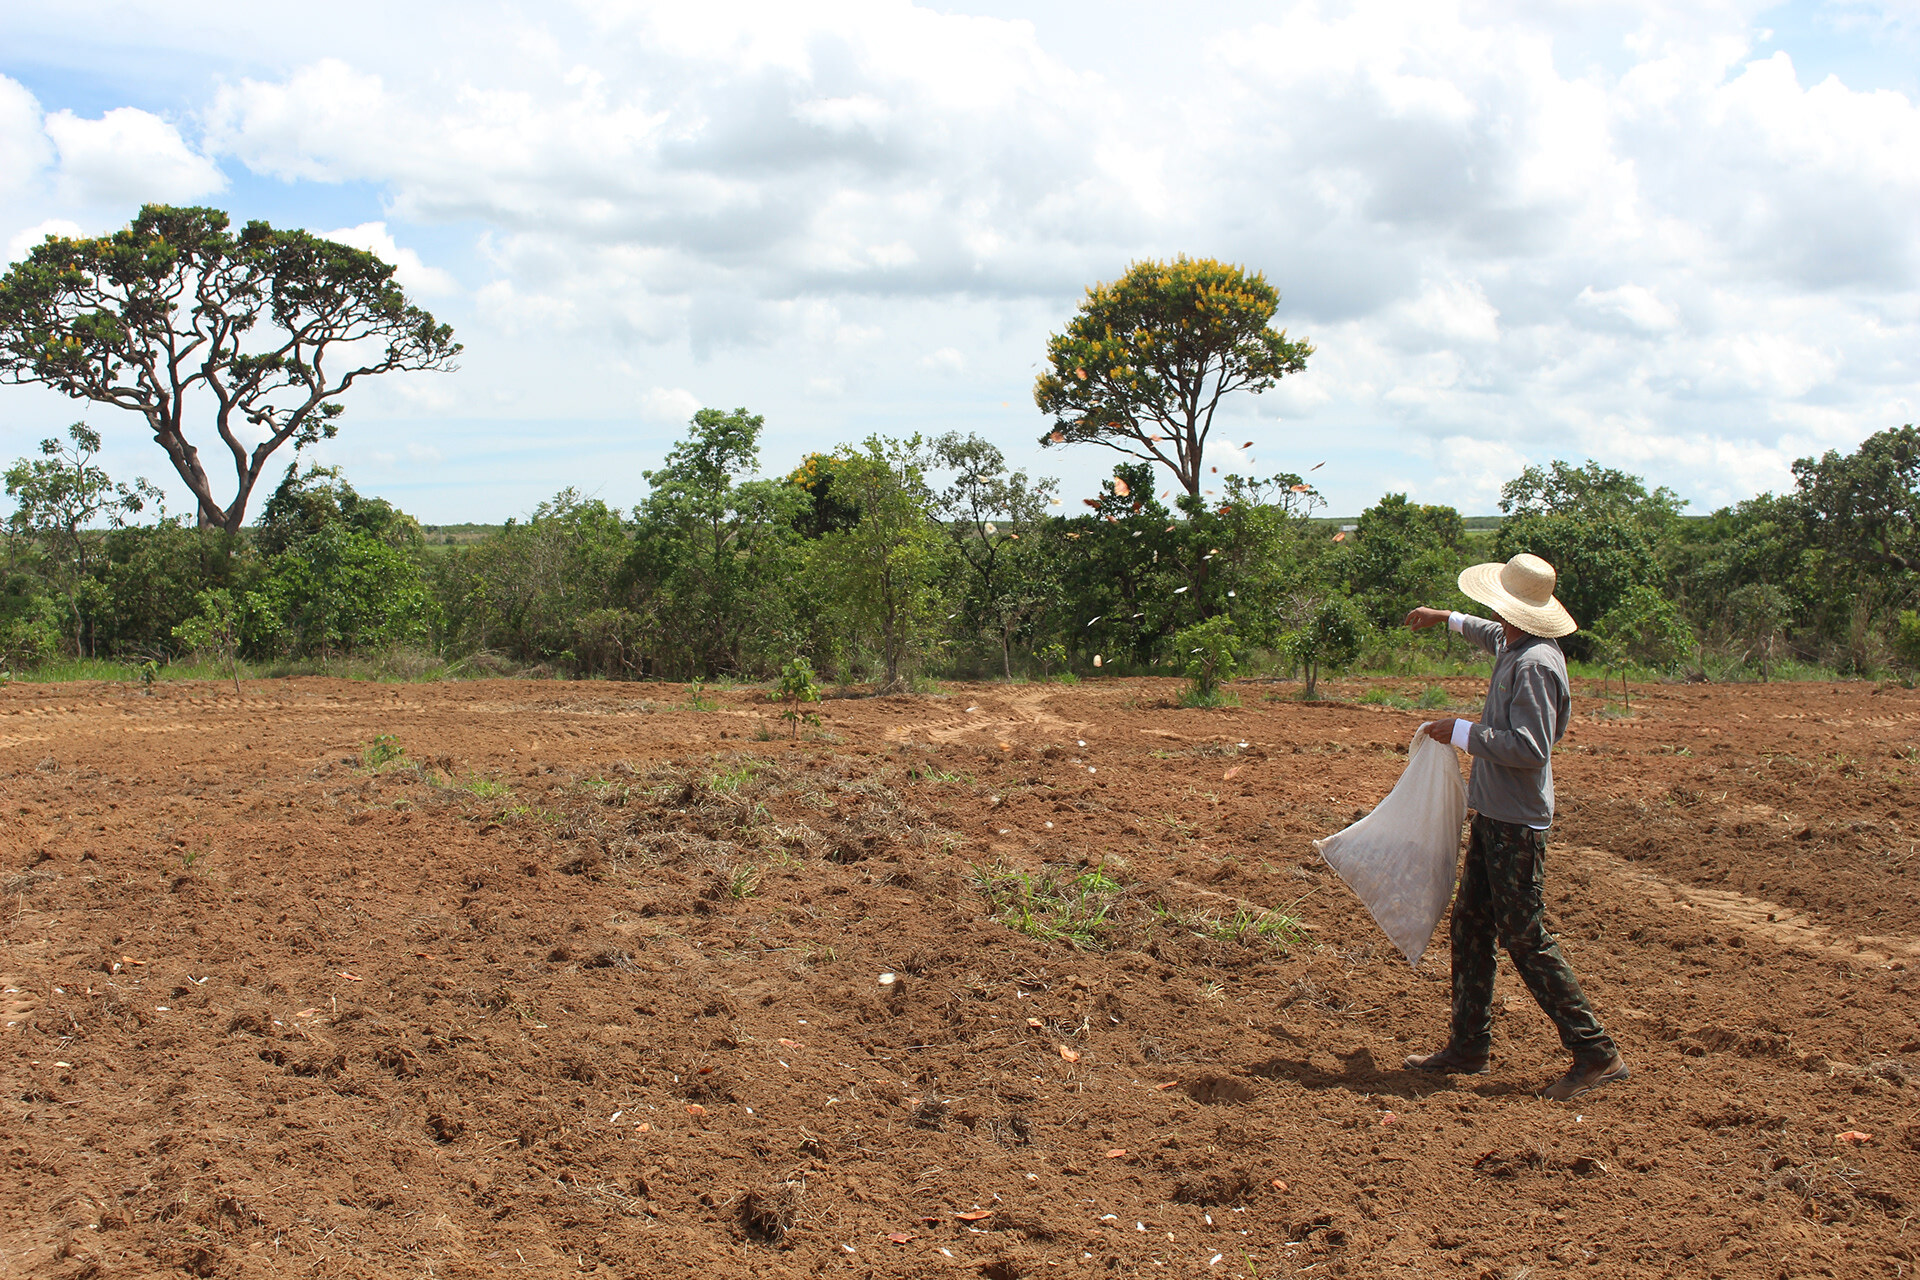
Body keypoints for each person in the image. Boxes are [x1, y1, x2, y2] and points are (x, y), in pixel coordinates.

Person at [1401, 552, 1628, 1101]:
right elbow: (1486, 633)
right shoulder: (1513, 642)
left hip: (1517, 825)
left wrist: (1459, 731)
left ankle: (1595, 1051)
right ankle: (1468, 1046)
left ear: (1516, 610)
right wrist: (1443, 617)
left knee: (1525, 936)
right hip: (1493, 815)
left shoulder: (1535, 666)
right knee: (1471, 925)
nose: (1493, 615)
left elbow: (1530, 748)